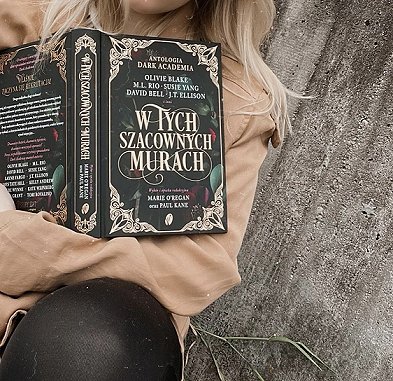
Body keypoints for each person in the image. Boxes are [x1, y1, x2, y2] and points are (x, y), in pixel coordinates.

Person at [0, 0, 288, 380]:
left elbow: (193, 269)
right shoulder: (32, 14)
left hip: (91, 337)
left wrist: (13, 238)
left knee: (92, 346)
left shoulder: (238, 97)